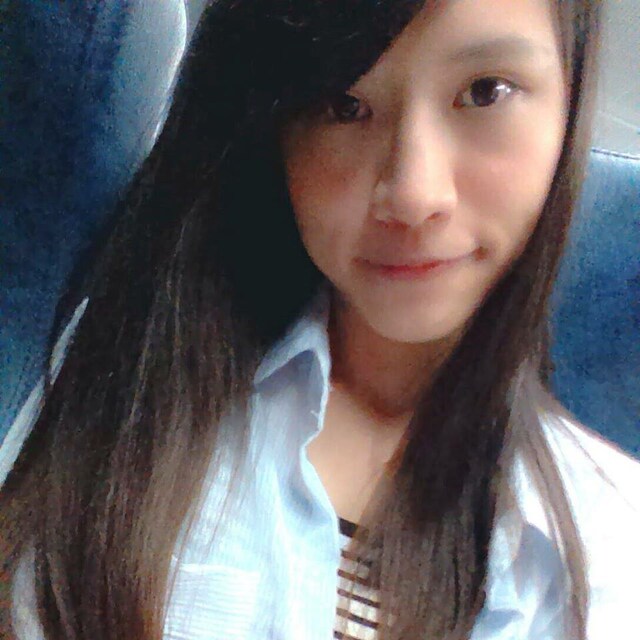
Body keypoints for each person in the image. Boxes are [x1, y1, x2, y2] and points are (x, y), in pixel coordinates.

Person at [1, 0, 639, 638]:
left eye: (484, 92)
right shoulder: (131, 377)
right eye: (344, 106)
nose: (413, 194)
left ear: (569, 100)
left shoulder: (609, 543)